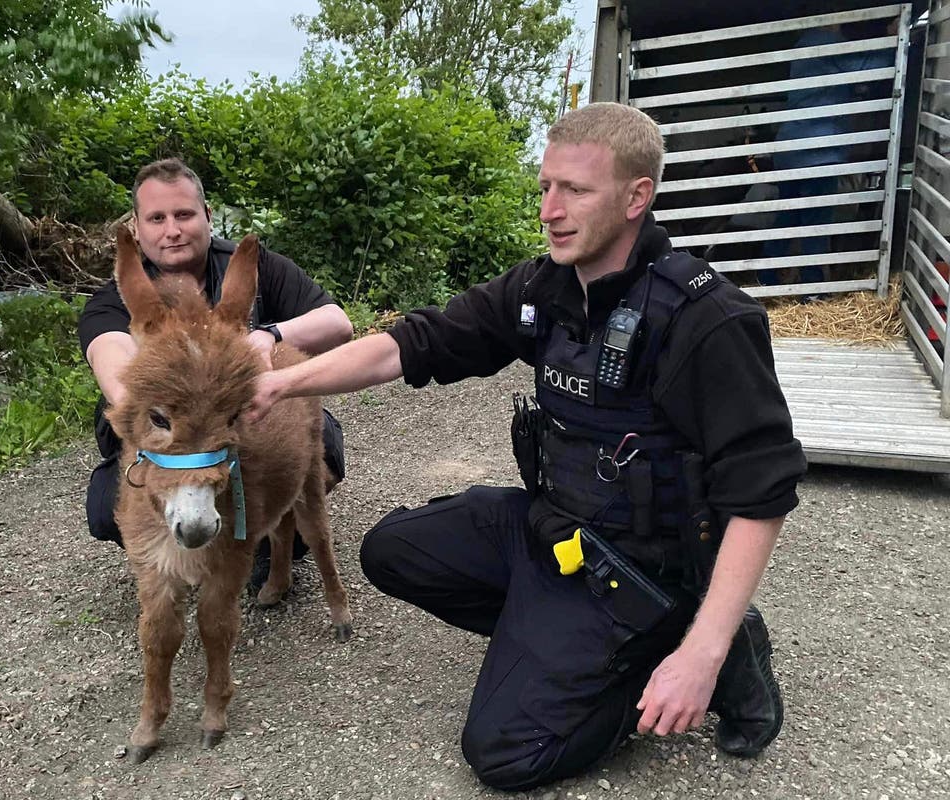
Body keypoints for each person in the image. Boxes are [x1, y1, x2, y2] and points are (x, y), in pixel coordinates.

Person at [248, 103, 807, 791]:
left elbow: (761, 493)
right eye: (545, 187)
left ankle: (700, 643)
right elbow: (412, 343)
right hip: (554, 531)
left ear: (638, 197)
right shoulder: (542, 288)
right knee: (392, 551)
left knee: (506, 755)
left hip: (639, 566)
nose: (550, 209)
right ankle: (560, 640)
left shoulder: (707, 319)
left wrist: (703, 650)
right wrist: (282, 384)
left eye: (574, 190)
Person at [78, 158, 353, 582]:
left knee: (321, 449)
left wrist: (268, 336)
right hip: (167, 440)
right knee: (103, 507)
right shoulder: (118, 297)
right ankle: (174, 550)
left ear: (207, 216)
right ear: (137, 226)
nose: (172, 230)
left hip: (247, 429)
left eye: (184, 214)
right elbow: (110, 360)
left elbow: (338, 323)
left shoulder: (257, 264)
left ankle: (266, 539)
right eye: (157, 218)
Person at [759, 22, 896, 289]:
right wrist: (893, 41)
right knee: (816, 220)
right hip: (817, 150)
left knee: (789, 215)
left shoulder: (802, 45)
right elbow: (867, 68)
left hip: (791, 148)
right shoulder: (825, 41)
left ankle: (766, 277)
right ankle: (814, 288)